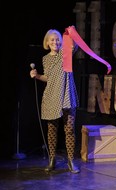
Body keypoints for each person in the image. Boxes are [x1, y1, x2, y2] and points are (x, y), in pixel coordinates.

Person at [30, 29, 80, 174]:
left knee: (69, 129)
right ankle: (52, 159)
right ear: (47, 42)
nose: (55, 42)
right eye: (52, 39)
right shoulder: (45, 59)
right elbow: (48, 77)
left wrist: (71, 33)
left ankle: (70, 161)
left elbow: (74, 45)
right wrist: (37, 75)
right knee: (52, 129)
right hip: (51, 95)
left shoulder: (66, 54)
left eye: (57, 39)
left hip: (66, 95)